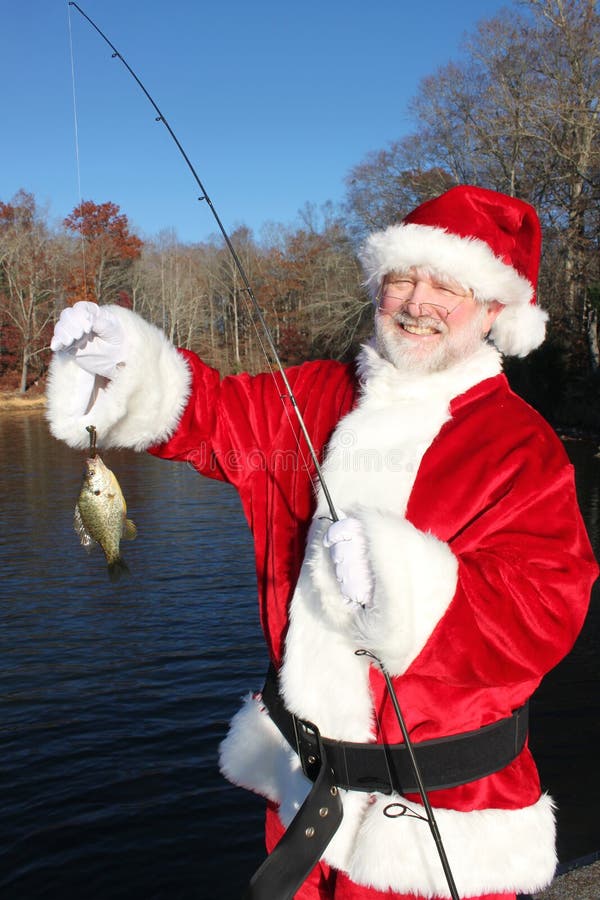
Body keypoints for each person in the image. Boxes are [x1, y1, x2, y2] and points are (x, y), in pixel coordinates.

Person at [47, 185, 598, 900]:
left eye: (447, 285)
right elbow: (211, 417)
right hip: (304, 802)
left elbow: (543, 611)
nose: (416, 301)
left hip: (439, 825)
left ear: (494, 310)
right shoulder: (311, 395)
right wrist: (124, 367)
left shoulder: (521, 445)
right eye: (401, 277)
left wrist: (409, 586)